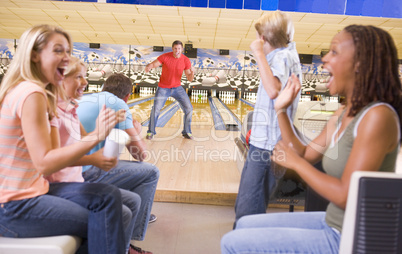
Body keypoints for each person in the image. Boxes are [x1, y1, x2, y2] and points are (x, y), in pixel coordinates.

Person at [221, 24, 402, 254]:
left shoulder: (377, 116)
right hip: (333, 222)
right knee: (243, 226)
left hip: (350, 237)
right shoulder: (343, 113)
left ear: (360, 63)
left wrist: (294, 163)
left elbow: (346, 195)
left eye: (334, 52)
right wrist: (281, 110)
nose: (324, 58)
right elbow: (305, 154)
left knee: (232, 243)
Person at [0, 24, 127, 254]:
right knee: (103, 219)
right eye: (58, 50)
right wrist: (97, 135)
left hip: (33, 191)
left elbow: (52, 154)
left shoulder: (35, 92)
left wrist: (99, 136)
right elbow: (45, 162)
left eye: (68, 51)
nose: (67, 58)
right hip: (13, 207)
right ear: (34, 55)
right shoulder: (32, 94)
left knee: (107, 196)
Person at [47, 56, 148, 254]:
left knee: (130, 202)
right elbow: (140, 154)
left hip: (75, 176)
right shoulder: (50, 111)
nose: (85, 83)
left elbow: (85, 144)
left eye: (85, 78)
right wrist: (101, 143)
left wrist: (101, 148)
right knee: (123, 201)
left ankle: (123, 248)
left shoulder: (72, 108)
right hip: (60, 184)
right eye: (79, 77)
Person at [77, 73, 160, 253]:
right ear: (128, 96)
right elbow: (140, 154)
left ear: (103, 88)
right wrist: (136, 131)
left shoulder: (84, 99)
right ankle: (130, 242)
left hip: (71, 168)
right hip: (86, 171)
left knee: (125, 170)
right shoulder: (118, 104)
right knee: (151, 172)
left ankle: (132, 220)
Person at [234, 11, 302, 226]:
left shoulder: (282, 57)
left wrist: (258, 54)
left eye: (258, 36)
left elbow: (273, 90)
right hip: (266, 145)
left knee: (247, 211)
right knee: (249, 206)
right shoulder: (285, 56)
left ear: (263, 38)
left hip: (267, 149)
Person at [144, 40, 195, 140]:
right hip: (163, 87)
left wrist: (192, 73)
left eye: (179, 49)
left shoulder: (185, 60)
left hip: (177, 88)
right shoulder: (165, 57)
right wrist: (149, 66)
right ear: (172, 49)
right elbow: (154, 64)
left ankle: (187, 132)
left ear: (182, 49)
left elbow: (189, 78)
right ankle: (151, 132)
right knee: (156, 109)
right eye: (175, 48)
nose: (177, 50)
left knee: (189, 108)